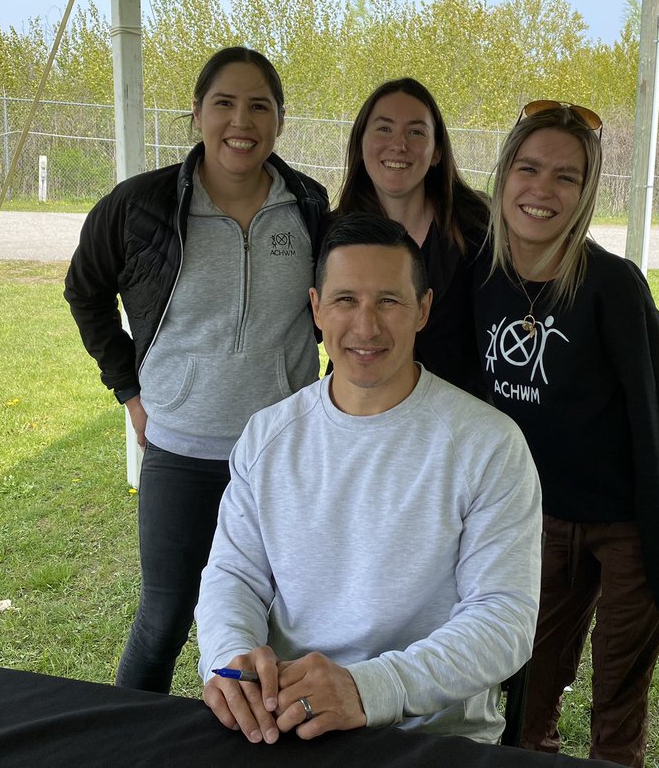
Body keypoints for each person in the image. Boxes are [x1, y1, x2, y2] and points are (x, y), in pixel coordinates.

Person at [195, 213, 542, 745]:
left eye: (388, 301)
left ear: (423, 310)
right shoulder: (268, 437)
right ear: (315, 308)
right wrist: (231, 658)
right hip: (288, 718)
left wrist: (367, 688)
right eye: (345, 300)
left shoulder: (489, 444)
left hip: (433, 732)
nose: (365, 326)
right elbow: (233, 576)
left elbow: (503, 619)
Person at [64, 46, 329, 693]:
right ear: (197, 113)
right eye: (224, 103)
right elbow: (85, 289)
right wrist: (127, 388)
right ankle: (128, 745)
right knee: (163, 622)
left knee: (275, 631)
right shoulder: (141, 205)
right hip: (181, 451)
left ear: (280, 121)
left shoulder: (310, 205)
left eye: (259, 106)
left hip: (281, 455)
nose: (242, 121)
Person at [473, 101, 659, 766]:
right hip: (533, 523)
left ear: (586, 192)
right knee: (526, 693)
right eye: (529, 168)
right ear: (504, 175)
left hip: (624, 526)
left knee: (615, 709)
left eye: (566, 177)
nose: (542, 189)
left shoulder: (612, 286)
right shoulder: (481, 277)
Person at [335, 78, 489, 397]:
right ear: (360, 143)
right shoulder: (331, 234)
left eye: (416, 132)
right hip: (360, 415)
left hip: (456, 423)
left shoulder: (479, 228)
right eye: (384, 129)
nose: (399, 144)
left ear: (436, 153)